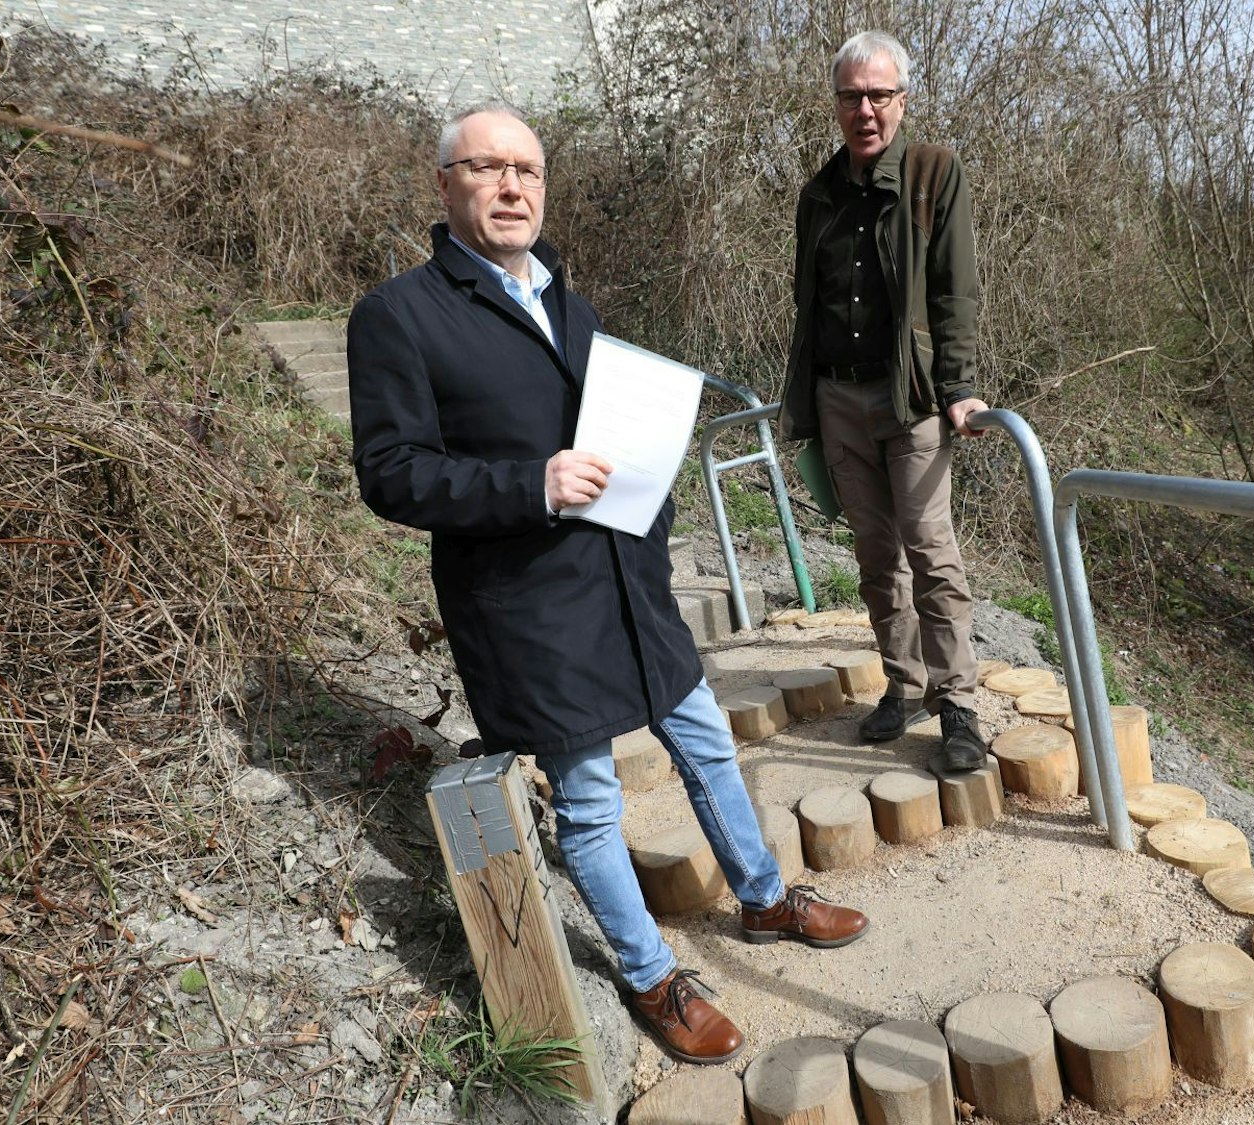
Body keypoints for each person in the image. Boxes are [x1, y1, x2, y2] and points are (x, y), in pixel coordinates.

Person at [347, 104, 867, 1065]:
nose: (513, 188)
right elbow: (390, 473)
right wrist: (528, 483)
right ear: (446, 184)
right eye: (490, 169)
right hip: (529, 605)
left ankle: (760, 897)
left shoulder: (570, 304)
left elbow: (624, 443)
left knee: (708, 739)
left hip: (629, 585)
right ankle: (650, 975)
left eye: (529, 172)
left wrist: (653, 516)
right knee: (588, 799)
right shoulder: (398, 316)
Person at [778, 31, 992, 772]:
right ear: (836, 103)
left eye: (879, 94)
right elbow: (808, 306)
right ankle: (901, 684)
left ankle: (956, 702)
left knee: (931, 551)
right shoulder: (818, 193)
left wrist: (959, 387)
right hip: (837, 394)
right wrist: (801, 406)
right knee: (875, 555)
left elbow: (955, 292)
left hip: (912, 399)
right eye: (852, 96)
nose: (865, 109)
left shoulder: (935, 173)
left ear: (903, 99)